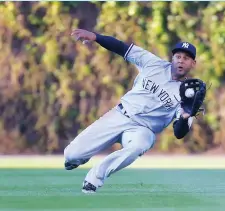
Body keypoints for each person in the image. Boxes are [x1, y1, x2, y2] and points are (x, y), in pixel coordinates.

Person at [64, 29, 206, 194]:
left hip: (143, 130)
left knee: (139, 145)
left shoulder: (188, 96)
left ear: (193, 64)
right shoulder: (152, 63)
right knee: (71, 155)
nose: (181, 61)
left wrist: (185, 116)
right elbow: (122, 48)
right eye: (178, 56)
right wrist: (96, 37)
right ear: (172, 57)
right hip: (119, 115)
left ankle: (94, 179)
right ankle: (76, 159)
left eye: (186, 58)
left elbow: (179, 133)